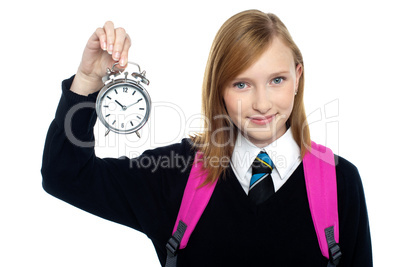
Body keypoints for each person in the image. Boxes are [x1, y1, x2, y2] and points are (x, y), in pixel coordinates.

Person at [41, 9, 372, 266]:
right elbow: (65, 176)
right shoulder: (175, 173)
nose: (261, 104)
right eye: (241, 84)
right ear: (220, 88)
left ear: (298, 76)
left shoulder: (340, 182)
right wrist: (87, 79)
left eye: (277, 80)